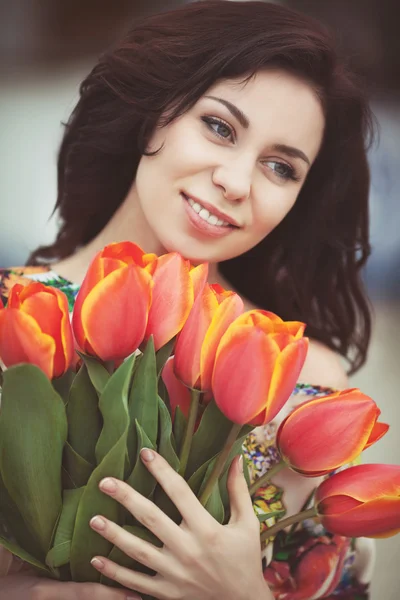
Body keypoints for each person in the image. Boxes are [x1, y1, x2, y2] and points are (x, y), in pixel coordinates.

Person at [0, 1, 377, 598]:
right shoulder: (14, 317)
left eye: (280, 167)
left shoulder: (305, 385)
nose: (236, 181)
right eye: (220, 127)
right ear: (155, 114)